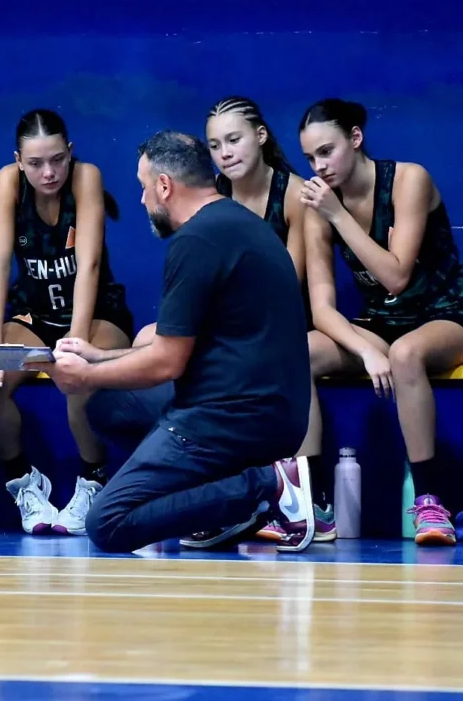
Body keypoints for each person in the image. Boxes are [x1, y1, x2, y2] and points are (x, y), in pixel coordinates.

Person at [31, 130, 315, 554]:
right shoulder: (238, 224)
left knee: (107, 523)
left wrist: (85, 373)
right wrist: (101, 355)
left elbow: (166, 363)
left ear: (164, 186)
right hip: (269, 411)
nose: (143, 201)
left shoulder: (195, 241)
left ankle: (267, 487)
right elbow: (185, 343)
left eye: (145, 188)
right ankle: (214, 507)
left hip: (230, 420)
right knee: (107, 403)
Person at [298, 98, 463, 547]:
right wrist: (365, 350)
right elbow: (322, 308)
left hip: (447, 317)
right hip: (380, 325)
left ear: (356, 139)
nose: (319, 166)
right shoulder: (316, 205)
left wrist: (338, 216)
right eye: (310, 158)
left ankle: (429, 501)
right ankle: (310, 503)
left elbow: (396, 276)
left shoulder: (407, 180)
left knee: (405, 354)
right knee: (296, 350)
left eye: (327, 151)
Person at [0, 109, 134, 537]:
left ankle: (94, 479)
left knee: (77, 372)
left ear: (70, 153)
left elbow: (90, 264)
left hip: (95, 311)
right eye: (36, 163)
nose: (49, 171)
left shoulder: (86, 177)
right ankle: (25, 482)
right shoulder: (9, 183)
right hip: (35, 312)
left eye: (57, 159)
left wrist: (75, 340)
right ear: (19, 161)